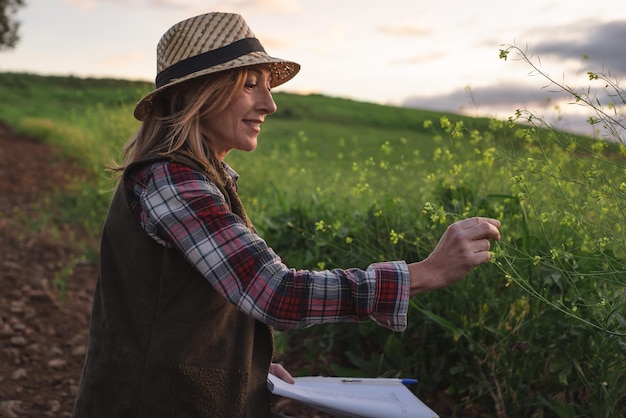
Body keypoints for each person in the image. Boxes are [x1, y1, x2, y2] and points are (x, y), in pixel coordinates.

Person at [72, 11, 501, 418]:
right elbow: (274, 293)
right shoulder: (174, 181)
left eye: (266, 86)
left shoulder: (201, 176)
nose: (269, 104)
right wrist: (426, 272)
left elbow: (218, 299)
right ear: (191, 96)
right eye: (249, 85)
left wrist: (245, 367)